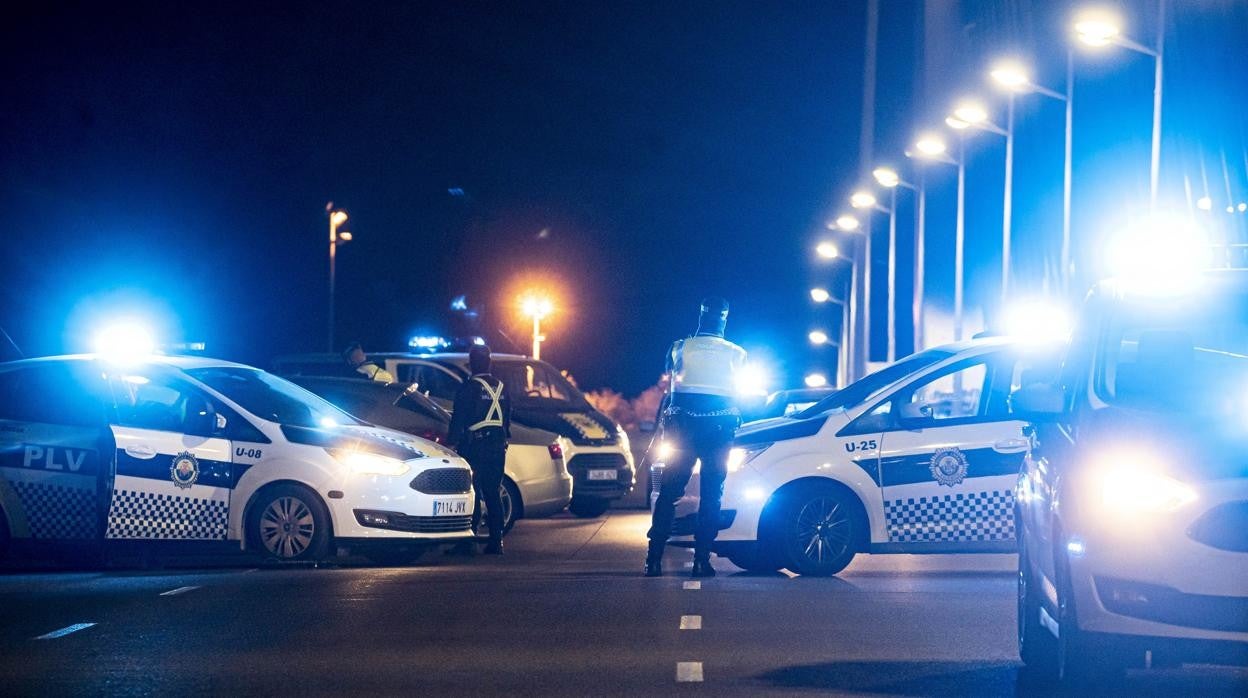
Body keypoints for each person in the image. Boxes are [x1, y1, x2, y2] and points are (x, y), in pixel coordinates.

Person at [646, 297, 746, 578]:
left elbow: (670, 375)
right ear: (724, 320)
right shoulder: (737, 353)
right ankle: (702, 561)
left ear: (700, 317)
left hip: (682, 429)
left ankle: (653, 560)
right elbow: (743, 391)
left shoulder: (679, 346)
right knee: (712, 495)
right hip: (718, 431)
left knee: (669, 493)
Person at [447, 344, 511, 555]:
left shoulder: (469, 387)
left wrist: (451, 443)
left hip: (476, 446)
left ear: (472, 363)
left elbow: (459, 418)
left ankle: (468, 541)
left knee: (472, 491)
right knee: (493, 492)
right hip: (498, 445)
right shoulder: (502, 387)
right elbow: (507, 419)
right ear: (489, 362)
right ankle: (496, 541)